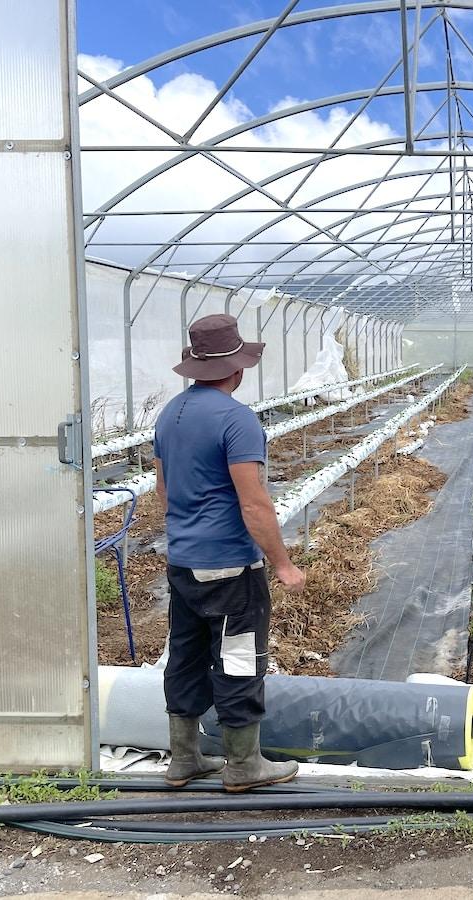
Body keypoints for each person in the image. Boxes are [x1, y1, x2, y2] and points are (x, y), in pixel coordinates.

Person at [152, 313, 307, 791]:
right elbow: (253, 501)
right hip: (229, 567)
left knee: (185, 653)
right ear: (237, 370)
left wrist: (187, 530)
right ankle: (243, 766)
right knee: (239, 656)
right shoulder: (236, 421)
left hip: (182, 561)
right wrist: (282, 563)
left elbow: (162, 489)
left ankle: (184, 758)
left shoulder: (169, 415)